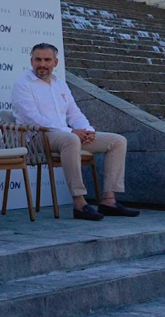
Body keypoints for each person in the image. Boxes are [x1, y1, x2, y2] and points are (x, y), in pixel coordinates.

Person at [11, 43, 139, 221]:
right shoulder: (23, 84)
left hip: (65, 134)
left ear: (55, 62)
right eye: (38, 60)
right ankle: (79, 203)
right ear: (31, 61)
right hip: (36, 137)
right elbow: (33, 118)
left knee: (117, 141)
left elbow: (74, 113)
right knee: (71, 140)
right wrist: (71, 131)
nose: (42, 64)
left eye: (47, 60)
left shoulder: (60, 84)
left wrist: (87, 130)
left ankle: (109, 201)